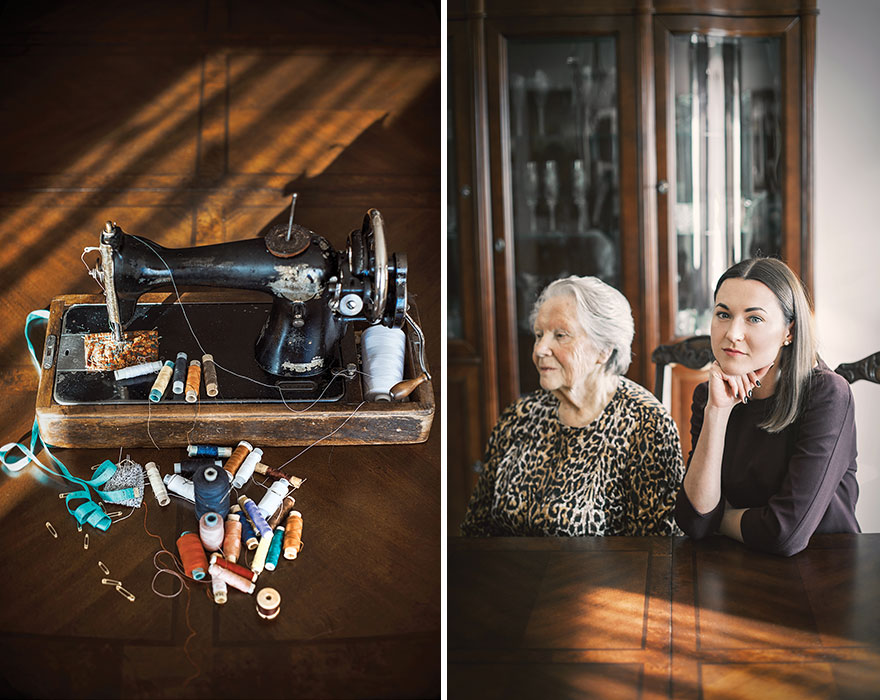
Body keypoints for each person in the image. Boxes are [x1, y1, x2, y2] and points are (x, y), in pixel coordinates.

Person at [461, 276, 684, 536]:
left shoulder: (646, 423)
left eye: (560, 335)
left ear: (604, 350)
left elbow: (659, 549)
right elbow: (476, 528)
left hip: (601, 577)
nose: (540, 349)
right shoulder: (519, 416)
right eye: (538, 334)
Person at [675, 257, 860, 556]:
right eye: (723, 314)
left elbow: (784, 534)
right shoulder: (709, 396)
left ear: (789, 331)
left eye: (754, 318)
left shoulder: (827, 395)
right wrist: (717, 412)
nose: (732, 333)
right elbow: (694, 522)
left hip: (824, 571)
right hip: (736, 570)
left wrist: (717, 519)